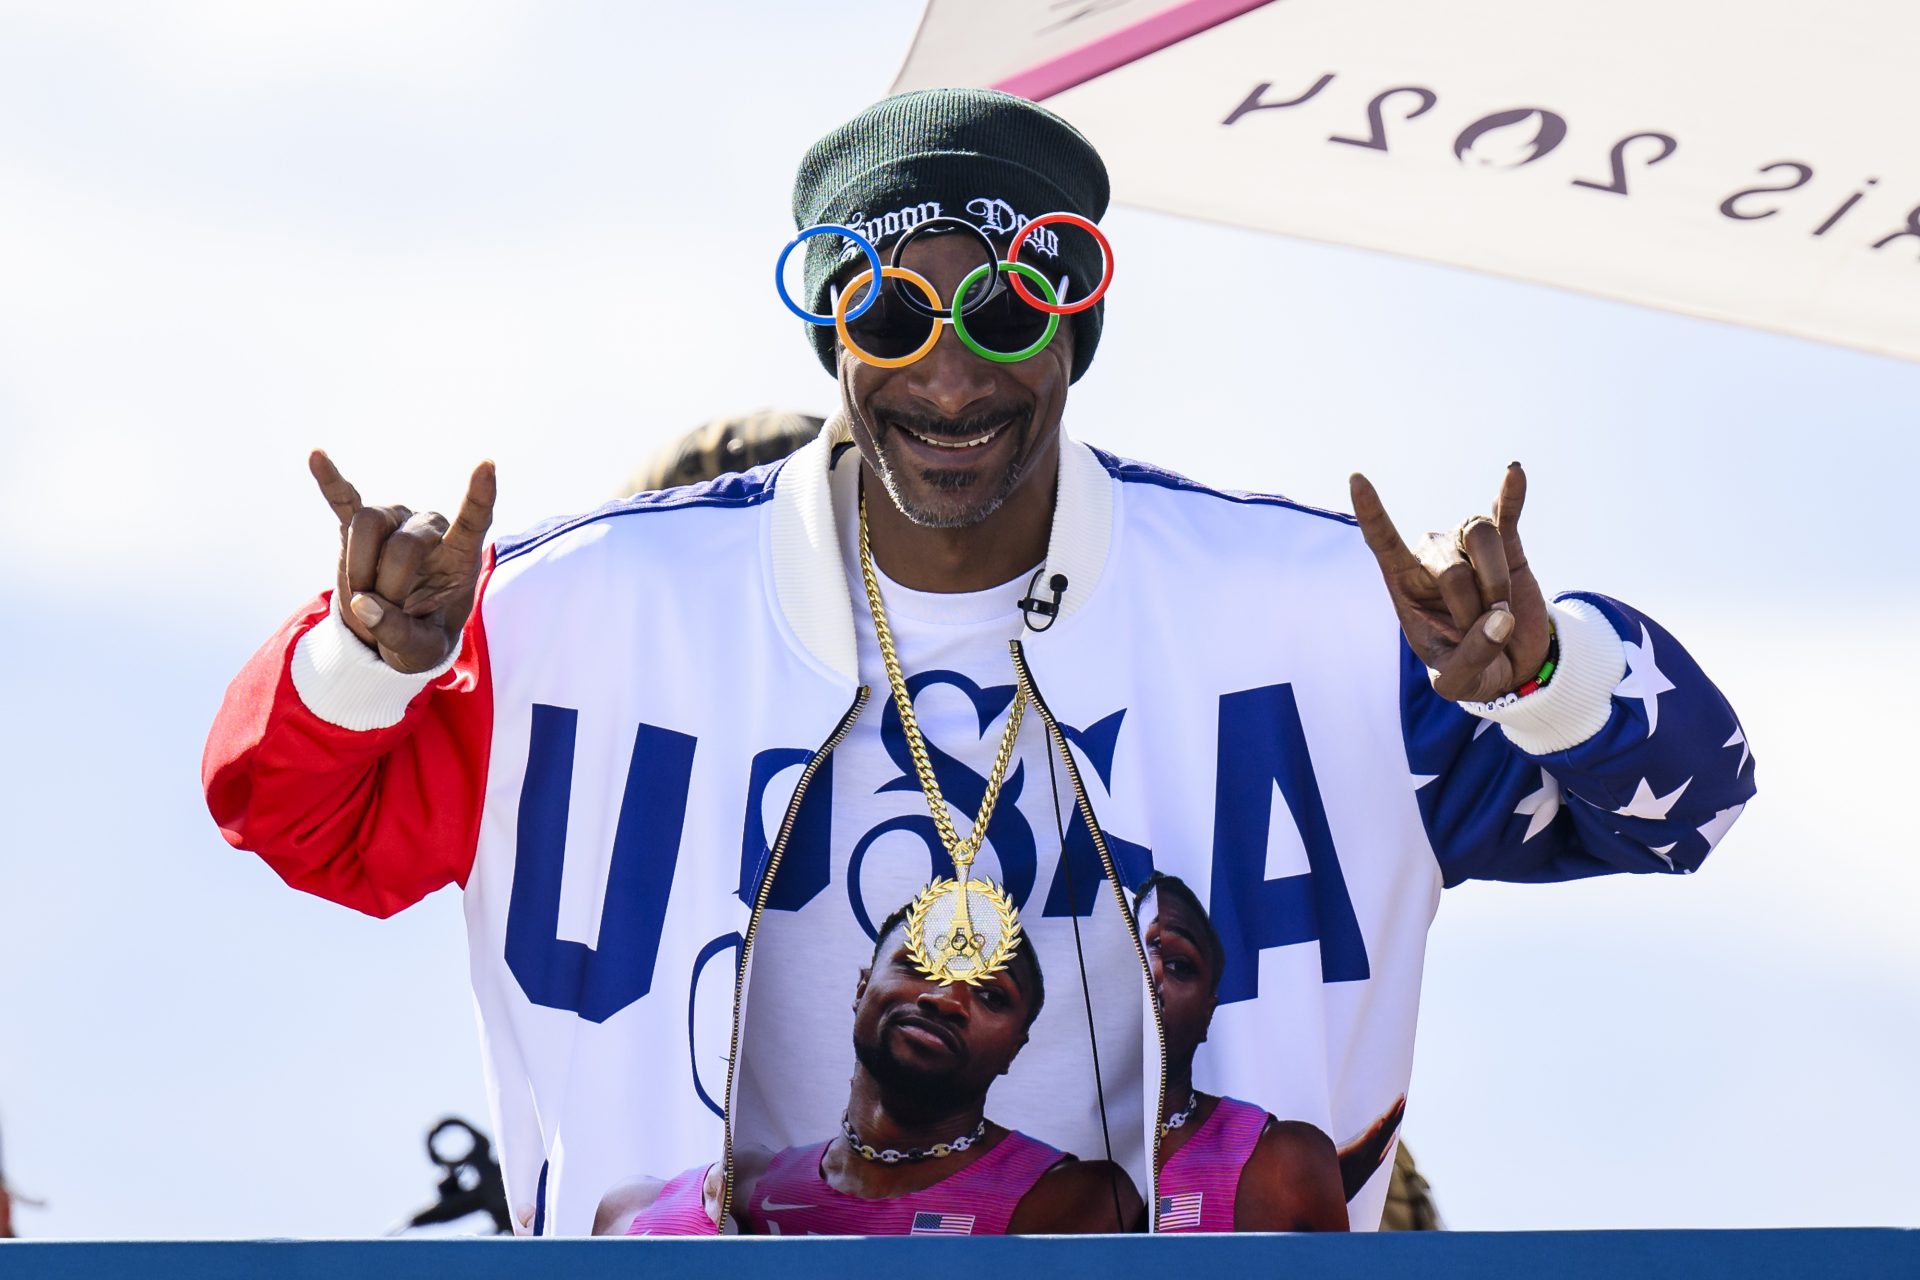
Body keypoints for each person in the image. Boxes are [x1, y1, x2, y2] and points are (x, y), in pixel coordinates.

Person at [202, 87, 1756, 1233]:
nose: (951, 372)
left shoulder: (1318, 619)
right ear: (835, 340)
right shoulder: (576, 621)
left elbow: (1694, 806)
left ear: (1077, 329)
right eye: (892, 312)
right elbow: (294, 814)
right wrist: (363, 664)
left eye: (1010, 309)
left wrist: (1552, 677)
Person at [609, 900, 1140, 1236]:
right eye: (916, 965)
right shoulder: (743, 1184)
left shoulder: (1076, 1200)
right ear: (863, 987)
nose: (946, 999)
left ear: (1015, 1048)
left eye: (991, 996)